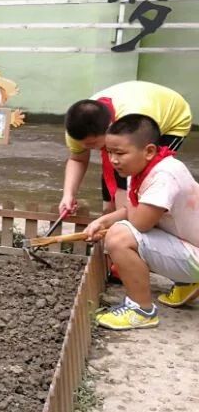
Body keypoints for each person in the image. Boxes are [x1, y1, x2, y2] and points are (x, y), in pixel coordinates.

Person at [61, 81, 193, 304]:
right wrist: (68, 195)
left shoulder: (134, 126)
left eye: (95, 144)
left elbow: (133, 208)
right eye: (87, 146)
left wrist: (117, 225)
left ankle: (157, 282)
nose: (92, 150)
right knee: (126, 187)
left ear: (110, 129)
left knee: (141, 200)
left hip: (172, 116)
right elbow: (77, 159)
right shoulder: (77, 131)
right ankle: (126, 250)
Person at [83, 115, 199, 330]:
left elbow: (140, 224)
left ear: (149, 151)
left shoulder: (164, 176)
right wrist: (103, 220)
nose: (113, 160)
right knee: (117, 228)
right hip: (190, 243)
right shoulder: (143, 167)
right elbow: (135, 209)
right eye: (109, 152)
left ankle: (141, 310)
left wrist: (111, 227)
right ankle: (189, 281)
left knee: (119, 237)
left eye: (120, 153)